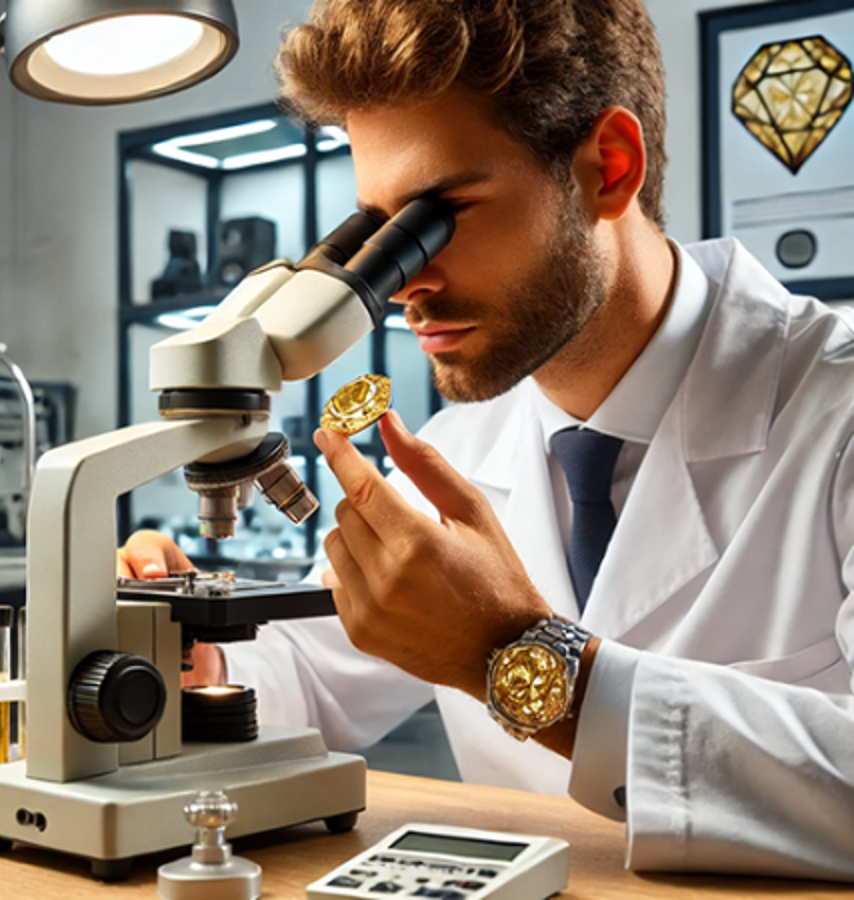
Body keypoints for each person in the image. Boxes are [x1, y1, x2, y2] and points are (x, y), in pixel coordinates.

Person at [120, 0, 854, 879]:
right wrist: (194, 653)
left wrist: (526, 662)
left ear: (608, 169)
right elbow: (310, 681)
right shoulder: (455, 445)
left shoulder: (836, 409)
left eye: (443, 212)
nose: (401, 282)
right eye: (380, 231)